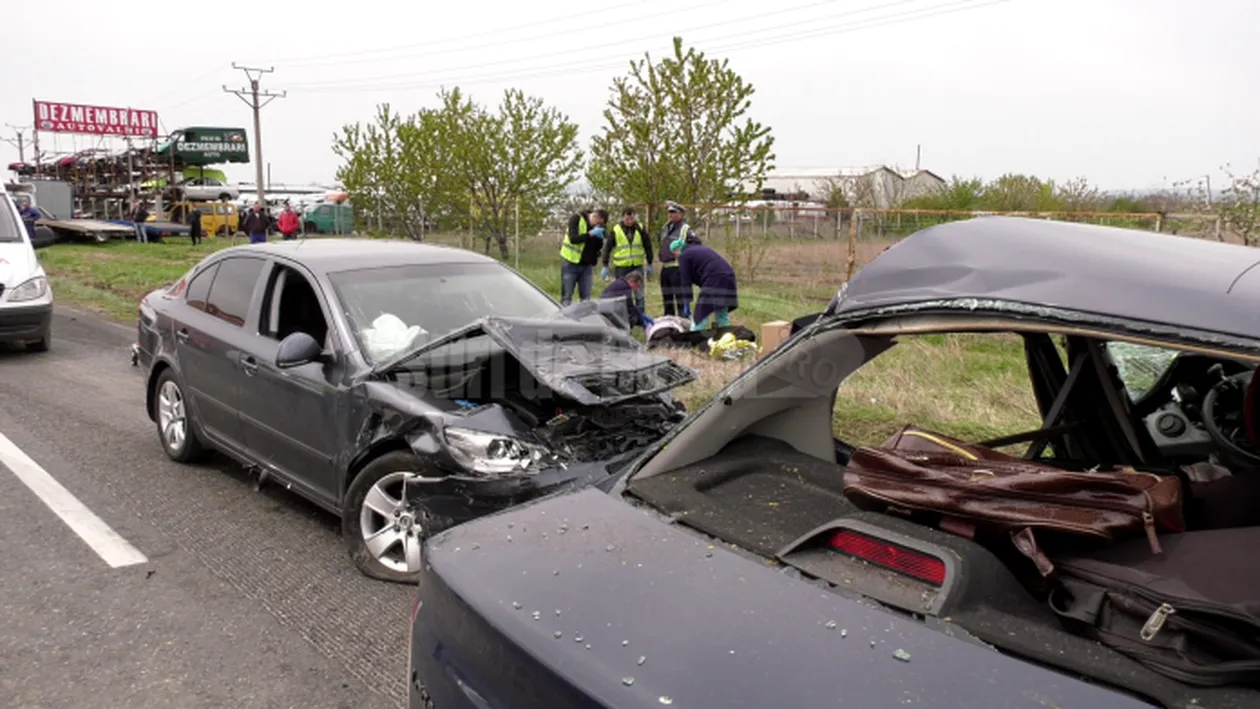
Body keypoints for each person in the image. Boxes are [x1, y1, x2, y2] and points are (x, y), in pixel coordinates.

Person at [671, 238, 739, 332]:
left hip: (715, 278)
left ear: (677, 249)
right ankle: (725, 333)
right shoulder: (698, 249)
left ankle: (695, 334)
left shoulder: (684, 256)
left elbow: (685, 280)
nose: (675, 256)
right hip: (728, 275)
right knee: (721, 308)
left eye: (673, 253)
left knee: (702, 310)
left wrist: (686, 301)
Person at [600, 207, 653, 315]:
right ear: (623, 217)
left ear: (634, 217)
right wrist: (605, 265)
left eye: (632, 218)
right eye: (627, 219)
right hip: (621, 267)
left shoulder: (640, 228)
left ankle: (641, 316)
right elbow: (607, 248)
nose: (629, 221)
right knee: (622, 295)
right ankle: (623, 316)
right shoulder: (616, 230)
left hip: (637, 265)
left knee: (639, 293)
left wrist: (650, 263)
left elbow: (648, 246)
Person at [657, 202, 701, 318]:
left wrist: (684, 251)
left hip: (678, 268)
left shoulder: (685, 229)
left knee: (681, 300)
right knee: (667, 300)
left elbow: (697, 245)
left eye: (673, 212)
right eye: (669, 212)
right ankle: (669, 322)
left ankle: (684, 322)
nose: (670, 214)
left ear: (681, 214)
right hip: (666, 267)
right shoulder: (666, 227)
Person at [559, 208, 608, 306]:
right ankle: (564, 315)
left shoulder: (597, 228)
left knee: (586, 300)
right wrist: (590, 234)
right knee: (566, 297)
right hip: (570, 263)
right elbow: (573, 239)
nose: (598, 225)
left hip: (587, 266)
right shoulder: (576, 218)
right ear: (595, 216)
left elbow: (597, 247)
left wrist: (600, 238)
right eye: (598, 222)